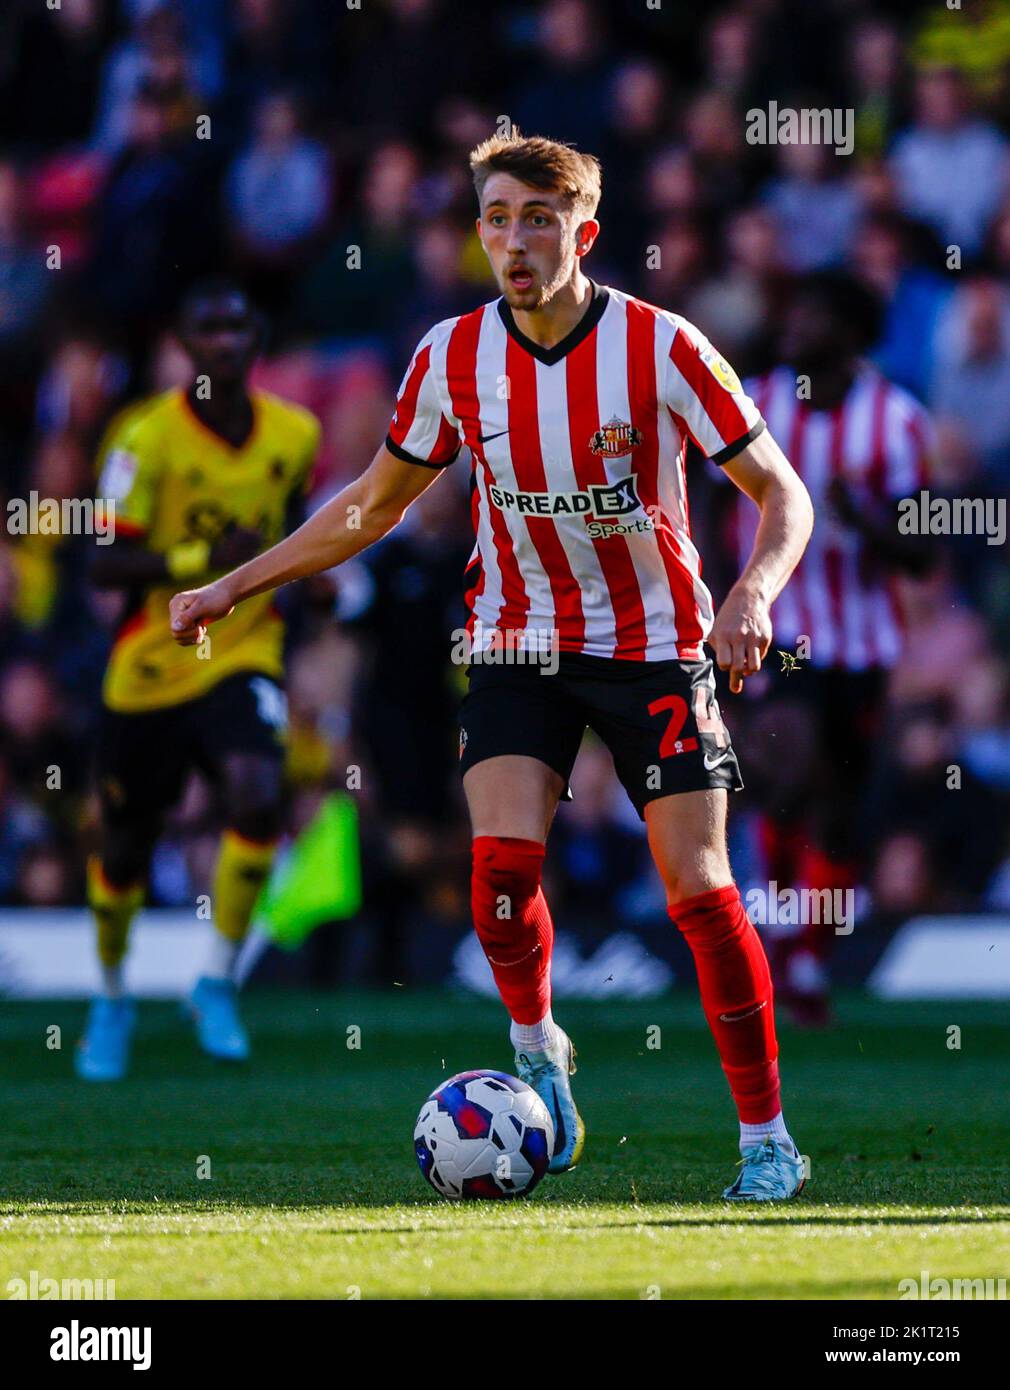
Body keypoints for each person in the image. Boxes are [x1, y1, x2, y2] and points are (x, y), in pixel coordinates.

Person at [169, 133, 814, 1200]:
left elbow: (780, 492)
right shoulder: (450, 355)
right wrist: (236, 582)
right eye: (497, 218)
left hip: (652, 646)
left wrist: (749, 595)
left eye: (538, 219)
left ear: (584, 232)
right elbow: (369, 507)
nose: (514, 241)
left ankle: (764, 1138)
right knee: (500, 873)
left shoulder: (662, 348)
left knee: (698, 890)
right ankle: (534, 1045)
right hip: (515, 641)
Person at [77, 278, 320, 1081]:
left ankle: (215, 981)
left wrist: (321, 581)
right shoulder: (141, 438)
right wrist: (199, 562)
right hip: (148, 666)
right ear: (183, 344)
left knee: (257, 792)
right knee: (125, 846)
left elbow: (297, 532)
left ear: (257, 340)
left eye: (239, 326)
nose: (225, 341)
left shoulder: (296, 432)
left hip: (242, 649)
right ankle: (112, 996)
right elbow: (103, 562)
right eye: (208, 328)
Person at [731, 270, 936, 1023]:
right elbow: (715, 504)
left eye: (813, 313)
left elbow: (920, 553)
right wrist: (727, 598)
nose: (795, 326)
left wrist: (865, 516)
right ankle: (776, 930)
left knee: (840, 805)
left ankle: (806, 953)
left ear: (851, 333)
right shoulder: (760, 403)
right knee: (791, 757)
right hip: (782, 631)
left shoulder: (897, 422)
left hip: (866, 644)